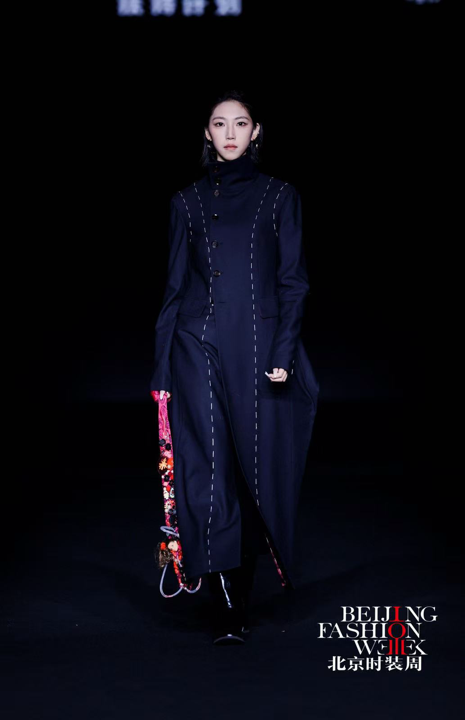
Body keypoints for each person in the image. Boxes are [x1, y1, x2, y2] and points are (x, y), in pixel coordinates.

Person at [150, 90, 319, 644]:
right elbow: (174, 288)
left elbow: (293, 282)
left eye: (240, 123)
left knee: (254, 476)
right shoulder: (187, 202)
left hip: (259, 349)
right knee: (208, 470)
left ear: (255, 131)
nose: (229, 133)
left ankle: (242, 587)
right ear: (206, 132)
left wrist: (283, 353)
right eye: (219, 124)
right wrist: (160, 371)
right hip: (195, 345)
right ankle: (228, 606)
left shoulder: (279, 197)